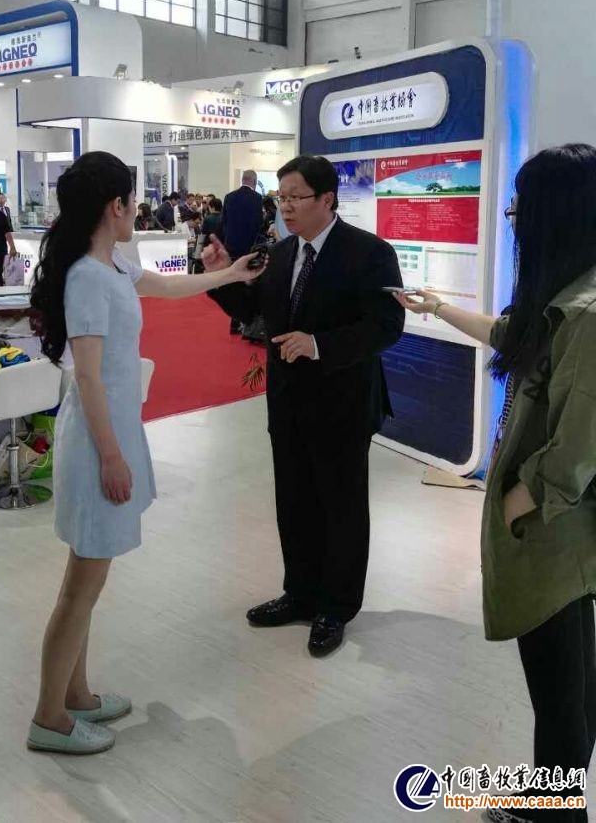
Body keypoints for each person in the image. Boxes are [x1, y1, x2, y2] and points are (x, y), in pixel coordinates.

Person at [27, 152, 261, 756]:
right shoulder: (87, 276)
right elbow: (88, 376)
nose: (137, 209)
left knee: (86, 582)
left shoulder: (112, 264)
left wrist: (229, 276)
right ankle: (49, 716)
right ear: (116, 206)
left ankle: (75, 695)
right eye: (132, 200)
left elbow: (167, 287)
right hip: (97, 439)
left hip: (111, 432)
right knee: (82, 587)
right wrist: (111, 456)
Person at [396, 144, 596, 823]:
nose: (512, 220)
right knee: (568, 680)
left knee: (560, 692)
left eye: (519, 208)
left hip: (552, 534)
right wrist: (437, 307)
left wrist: (518, 500)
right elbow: (512, 335)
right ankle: (550, 801)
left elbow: (578, 446)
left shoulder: (587, 313)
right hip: (556, 533)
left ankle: (553, 813)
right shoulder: (565, 299)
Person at [203, 155, 404, 657]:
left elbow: (386, 326)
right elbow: (254, 312)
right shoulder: (281, 252)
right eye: (281, 198)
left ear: (327, 199)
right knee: (293, 502)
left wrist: (319, 345)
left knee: (341, 507)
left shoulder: (369, 252)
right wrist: (221, 278)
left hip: (343, 402)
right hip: (288, 402)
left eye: (295, 197)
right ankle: (299, 593)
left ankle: (336, 606)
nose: (286, 207)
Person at [222, 171, 264, 334]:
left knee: (233, 283)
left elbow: (224, 223)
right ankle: (247, 323)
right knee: (249, 283)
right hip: (249, 249)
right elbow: (259, 224)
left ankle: (233, 323)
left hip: (231, 247)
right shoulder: (257, 199)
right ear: (254, 181)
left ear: (242, 180)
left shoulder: (229, 197)